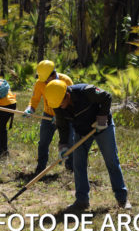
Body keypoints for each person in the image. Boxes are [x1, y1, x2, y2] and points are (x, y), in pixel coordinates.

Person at [44, 79, 131, 210]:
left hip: (102, 127)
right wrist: (63, 146)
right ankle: (82, 200)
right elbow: (62, 126)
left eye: (61, 103)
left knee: (112, 161)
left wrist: (102, 118)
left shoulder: (86, 91)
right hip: (82, 131)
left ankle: (122, 199)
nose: (60, 106)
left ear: (67, 95)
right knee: (78, 164)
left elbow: (106, 97)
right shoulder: (57, 104)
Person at [23, 60, 74, 174]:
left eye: (47, 79)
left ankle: (70, 169)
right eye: (43, 80)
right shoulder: (40, 83)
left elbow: (72, 101)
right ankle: (41, 168)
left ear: (52, 74)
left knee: (70, 142)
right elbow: (35, 99)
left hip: (66, 117)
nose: (45, 82)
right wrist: (30, 109)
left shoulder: (66, 80)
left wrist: (63, 116)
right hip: (48, 116)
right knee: (43, 142)